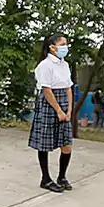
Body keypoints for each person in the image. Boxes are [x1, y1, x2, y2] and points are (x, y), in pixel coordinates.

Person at [28, 34, 74, 192]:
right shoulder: (45, 65)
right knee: (45, 143)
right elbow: (46, 90)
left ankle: (62, 176)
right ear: (52, 47)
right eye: (62, 44)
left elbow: (69, 88)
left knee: (67, 144)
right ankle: (45, 179)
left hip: (64, 102)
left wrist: (69, 110)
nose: (65, 47)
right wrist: (58, 110)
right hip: (50, 103)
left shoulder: (65, 65)